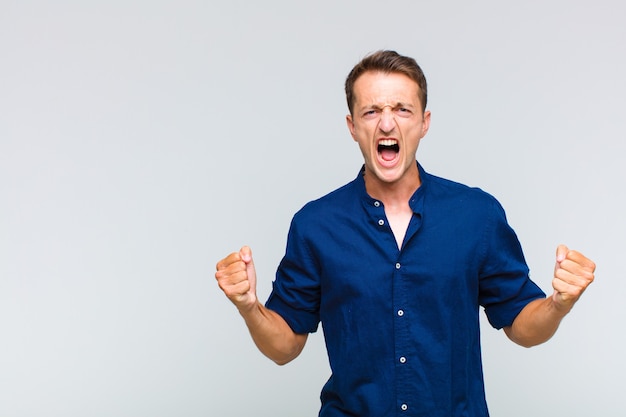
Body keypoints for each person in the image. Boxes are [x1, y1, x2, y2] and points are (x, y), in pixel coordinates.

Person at [214, 50, 596, 416]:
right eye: (371, 110)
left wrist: (558, 304)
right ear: (352, 126)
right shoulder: (315, 225)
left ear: (424, 122)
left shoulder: (476, 216)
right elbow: (284, 346)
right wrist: (249, 307)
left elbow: (522, 325)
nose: (386, 123)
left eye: (402, 109)